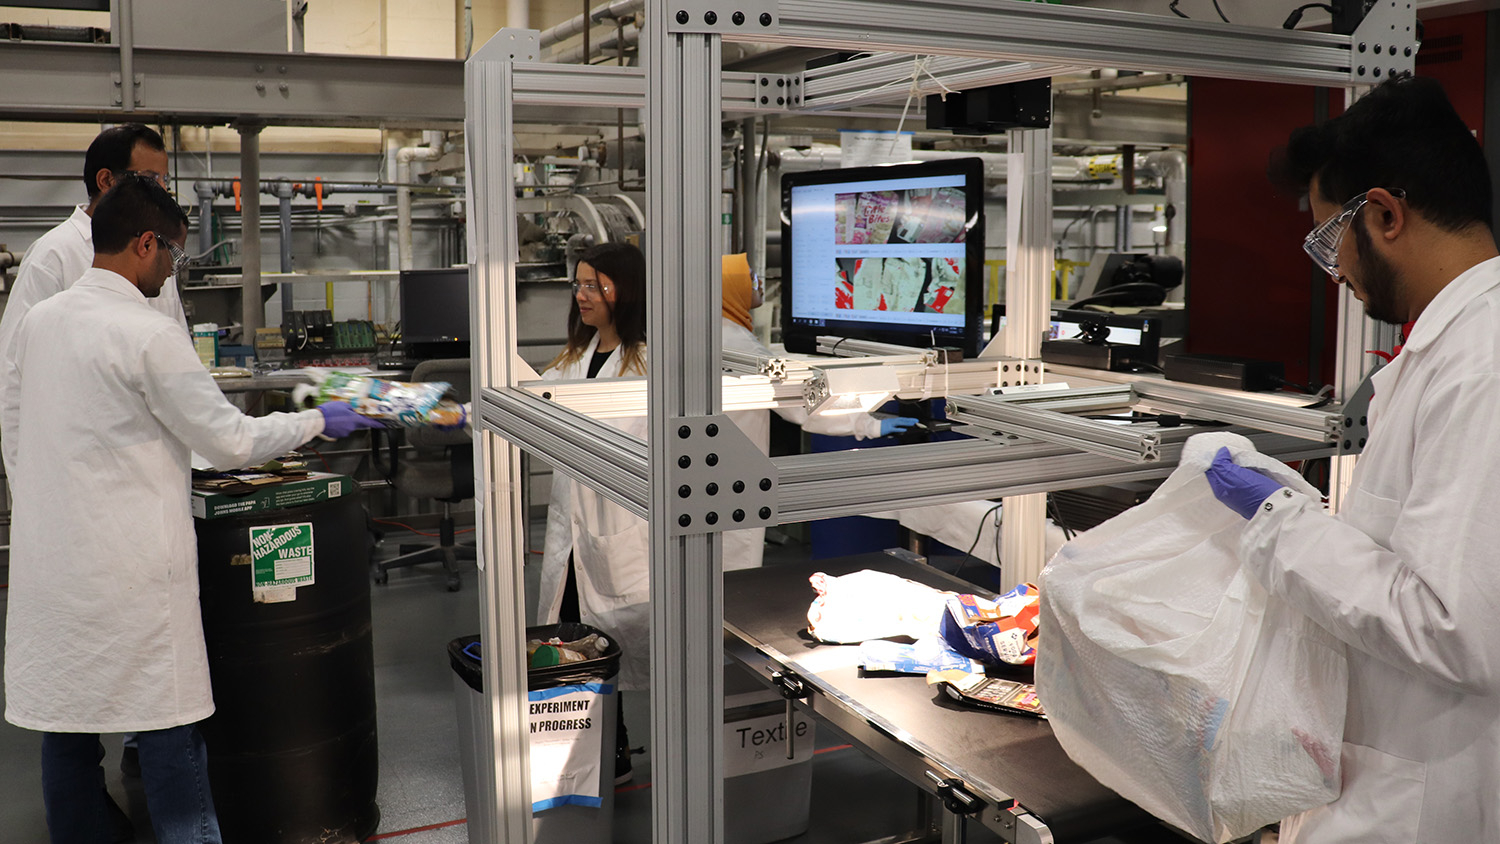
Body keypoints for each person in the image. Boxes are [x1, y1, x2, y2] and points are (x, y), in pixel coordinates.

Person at [1, 174, 380, 844]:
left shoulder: (38, 322)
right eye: (174, 256)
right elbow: (231, 442)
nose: (173, 272)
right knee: (171, 736)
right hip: (131, 580)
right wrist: (318, 421)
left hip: (54, 575)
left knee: (67, 737)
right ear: (146, 243)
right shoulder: (146, 334)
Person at [1203, 75, 1500, 843]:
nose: (1334, 271)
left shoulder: (1483, 361)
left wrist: (1282, 525)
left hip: (1430, 797)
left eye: (1330, 238)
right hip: (1393, 768)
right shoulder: (1449, 347)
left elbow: (1454, 627)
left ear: (1385, 214)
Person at [719, 253, 916, 570]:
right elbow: (801, 406)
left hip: (719, 472)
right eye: (749, 276)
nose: (757, 280)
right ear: (732, 288)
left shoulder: (722, 330)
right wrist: (868, 424)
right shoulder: (735, 341)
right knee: (725, 573)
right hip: (726, 480)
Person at [534, 241, 649, 783]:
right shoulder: (576, 355)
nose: (581, 295)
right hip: (575, 530)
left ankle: (615, 754)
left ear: (622, 291)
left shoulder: (645, 359)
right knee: (576, 638)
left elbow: (616, 438)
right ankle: (605, 750)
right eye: (577, 284)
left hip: (615, 526)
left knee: (614, 639)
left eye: (593, 285)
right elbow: (535, 399)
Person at [0, 124, 186, 414]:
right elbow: (12, 373)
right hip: (80, 444)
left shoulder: (155, 251)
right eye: (150, 179)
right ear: (106, 181)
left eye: (165, 180)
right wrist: (22, 458)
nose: (163, 191)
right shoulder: (54, 255)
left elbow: (179, 363)